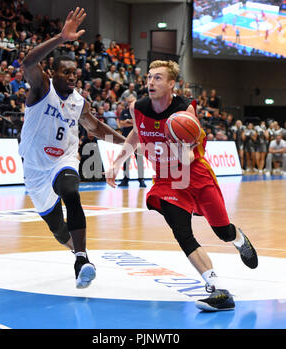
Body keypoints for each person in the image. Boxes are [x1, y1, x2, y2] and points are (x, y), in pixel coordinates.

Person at [105, 60, 258, 312]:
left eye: (158, 78)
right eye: (149, 77)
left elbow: (187, 155)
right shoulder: (138, 107)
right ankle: (217, 289)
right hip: (167, 181)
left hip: (195, 174)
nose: (151, 82)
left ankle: (239, 239)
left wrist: (168, 152)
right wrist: (116, 163)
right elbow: (136, 132)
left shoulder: (185, 109)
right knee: (182, 232)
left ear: (171, 83)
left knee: (222, 232)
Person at [18, 7, 125, 289]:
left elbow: (97, 128)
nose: (72, 77)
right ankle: (77, 252)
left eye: (75, 73)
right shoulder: (41, 89)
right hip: (35, 169)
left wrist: (128, 146)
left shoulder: (79, 101)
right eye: (66, 72)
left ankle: (81, 259)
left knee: (71, 192)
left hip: (62, 160)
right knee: (56, 229)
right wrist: (61, 38)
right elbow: (29, 62)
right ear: (52, 73)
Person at [118, 95, 146, 188]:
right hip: (126, 139)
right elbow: (121, 124)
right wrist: (132, 121)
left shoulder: (139, 111)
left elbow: (140, 123)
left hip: (138, 139)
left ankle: (141, 179)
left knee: (139, 160)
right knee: (126, 160)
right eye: (129, 101)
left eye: (132, 101)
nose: (130, 103)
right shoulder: (124, 112)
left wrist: (128, 121)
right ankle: (125, 179)